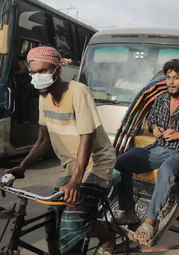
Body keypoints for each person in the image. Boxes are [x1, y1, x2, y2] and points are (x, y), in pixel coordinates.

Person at [6, 46, 116, 255]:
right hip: (71, 167)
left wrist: (76, 181)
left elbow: (87, 137)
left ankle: (108, 236)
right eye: (33, 72)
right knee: (51, 222)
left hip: (97, 165)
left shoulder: (78, 92)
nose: (37, 77)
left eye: (43, 71)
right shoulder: (44, 97)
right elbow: (44, 139)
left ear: (58, 71)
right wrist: (22, 166)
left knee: (71, 222)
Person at [114, 59, 179, 241]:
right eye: (168, 77)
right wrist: (153, 128)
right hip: (156, 148)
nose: (170, 81)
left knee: (166, 171)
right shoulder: (160, 99)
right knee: (120, 162)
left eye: (175, 77)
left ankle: (150, 222)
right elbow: (150, 119)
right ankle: (129, 211)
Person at [12, 52, 32, 125]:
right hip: (16, 85)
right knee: (15, 102)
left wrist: (13, 72)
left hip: (24, 85)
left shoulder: (18, 62)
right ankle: (16, 119)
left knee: (24, 102)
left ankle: (24, 120)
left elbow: (25, 70)